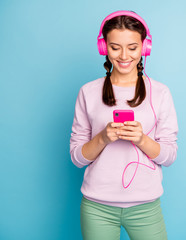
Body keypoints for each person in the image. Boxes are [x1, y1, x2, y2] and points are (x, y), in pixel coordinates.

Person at [69, 10, 178, 240]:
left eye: (132, 47)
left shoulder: (160, 93)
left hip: (146, 208)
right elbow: (77, 158)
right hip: (97, 208)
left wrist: (141, 140)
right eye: (115, 47)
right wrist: (103, 138)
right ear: (104, 48)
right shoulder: (88, 92)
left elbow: (169, 156)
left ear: (144, 48)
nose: (124, 55)